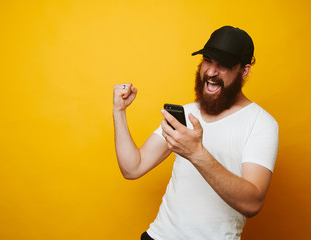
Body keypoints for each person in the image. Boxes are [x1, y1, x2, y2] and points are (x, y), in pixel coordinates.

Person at [113, 26, 279, 240]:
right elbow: (132, 168)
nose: (211, 72)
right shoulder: (187, 113)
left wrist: (196, 153)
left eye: (224, 65)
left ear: (244, 71)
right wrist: (119, 111)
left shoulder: (261, 123)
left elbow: (253, 203)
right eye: (208, 60)